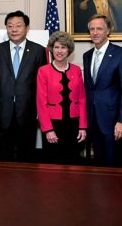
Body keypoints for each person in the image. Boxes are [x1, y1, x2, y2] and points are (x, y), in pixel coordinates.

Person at [0, 10, 47, 162]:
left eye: (18, 25)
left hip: (28, 113)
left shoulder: (38, 51)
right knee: (3, 157)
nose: (14, 29)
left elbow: (42, 84)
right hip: (1, 113)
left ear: (27, 28)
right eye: (10, 26)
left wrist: (41, 110)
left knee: (27, 157)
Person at [83, 14, 122, 167]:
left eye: (99, 29)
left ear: (108, 31)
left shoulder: (121, 55)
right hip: (93, 119)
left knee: (114, 164)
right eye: (92, 29)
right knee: (98, 164)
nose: (95, 32)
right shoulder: (87, 56)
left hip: (113, 121)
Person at [36, 31, 87, 164]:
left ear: (69, 50)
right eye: (56, 47)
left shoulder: (76, 70)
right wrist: (48, 130)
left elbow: (82, 99)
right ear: (51, 49)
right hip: (53, 125)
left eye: (63, 47)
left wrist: (82, 126)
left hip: (73, 124)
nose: (59, 51)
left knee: (74, 163)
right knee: (53, 166)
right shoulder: (43, 71)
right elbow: (41, 102)